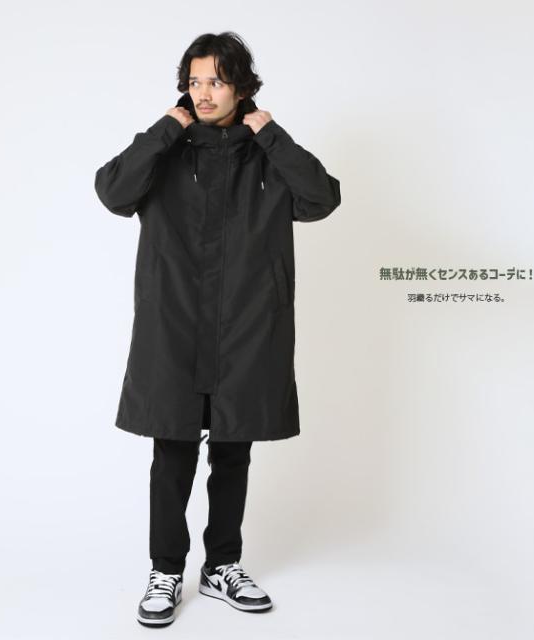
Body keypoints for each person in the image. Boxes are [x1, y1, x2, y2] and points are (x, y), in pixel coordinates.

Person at [94, 31, 341, 627]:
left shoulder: (266, 154)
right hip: (174, 324)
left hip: (247, 327)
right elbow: (113, 191)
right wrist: (164, 129)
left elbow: (321, 198)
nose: (203, 93)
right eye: (195, 81)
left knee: (234, 449)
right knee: (172, 450)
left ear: (241, 87)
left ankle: (222, 565)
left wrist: (271, 134)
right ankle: (165, 569)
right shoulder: (166, 150)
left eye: (217, 81)